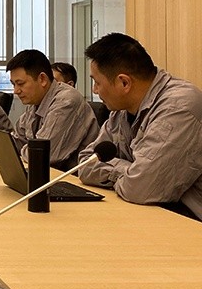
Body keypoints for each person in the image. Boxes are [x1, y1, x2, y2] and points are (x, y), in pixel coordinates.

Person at [78, 33, 202, 220]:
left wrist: (130, 174)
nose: (94, 90)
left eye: (97, 82)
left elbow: (140, 189)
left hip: (188, 222)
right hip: (149, 213)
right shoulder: (121, 110)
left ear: (124, 83)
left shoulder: (179, 107)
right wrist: (130, 170)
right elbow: (85, 163)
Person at [6, 50, 98, 170]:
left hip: (73, 177)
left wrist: (22, 150)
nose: (16, 91)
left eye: (20, 84)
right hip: (51, 174)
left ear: (42, 79)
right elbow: (17, 141)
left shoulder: (66, 101)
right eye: (13, 84)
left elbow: (42, 155)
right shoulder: (35, 101)